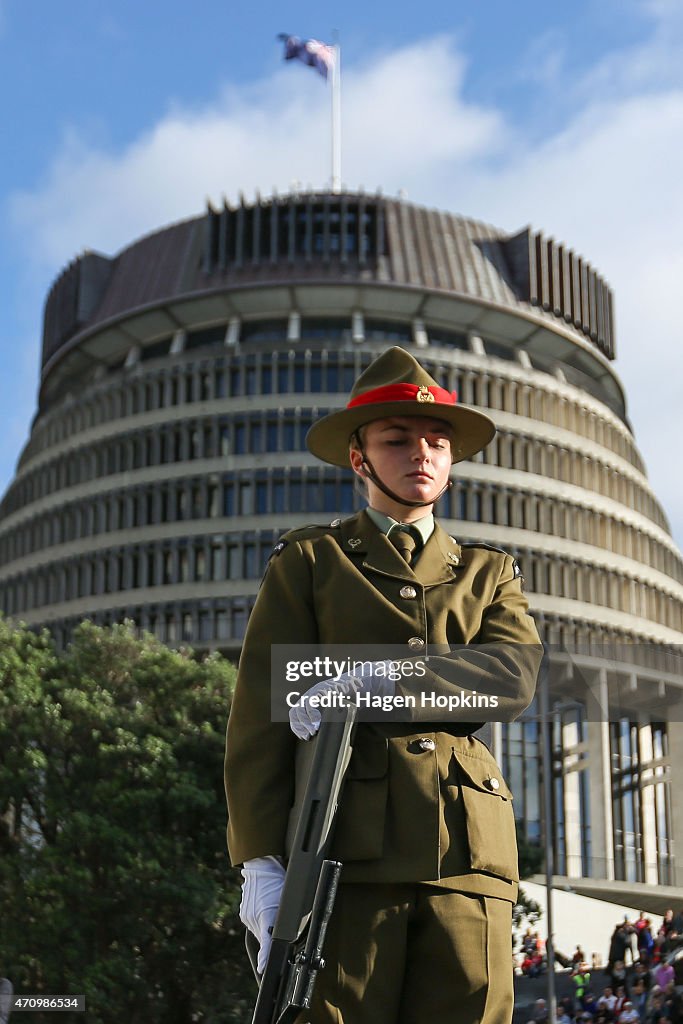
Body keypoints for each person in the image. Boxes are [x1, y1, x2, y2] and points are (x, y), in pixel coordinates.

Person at [225, 347, 542, 1024]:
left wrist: (378, 678)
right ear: (359, 459)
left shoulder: (488, 571)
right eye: (396, 440)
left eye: (435, 441)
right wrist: (259, 862)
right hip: (344, 851)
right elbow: (261, 714)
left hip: (466, 856)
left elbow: (509, 677)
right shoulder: (312, 560)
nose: (420, 454)